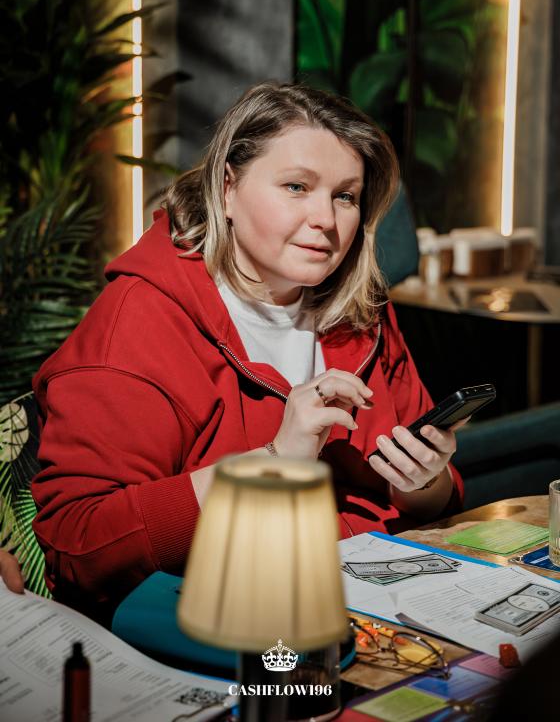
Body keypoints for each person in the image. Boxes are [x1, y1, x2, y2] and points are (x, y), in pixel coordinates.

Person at [31, 83, 463, 623]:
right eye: (296, 186)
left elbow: (434, 504)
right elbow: (81, 545)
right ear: (227, 190)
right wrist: (274, 463)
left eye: (345, 196)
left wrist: (425, 480)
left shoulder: (362, 312)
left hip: (366, 607)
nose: (326, 219)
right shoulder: (139, 321)